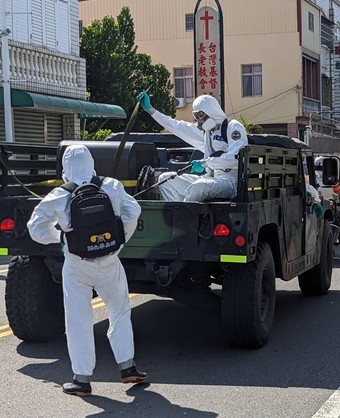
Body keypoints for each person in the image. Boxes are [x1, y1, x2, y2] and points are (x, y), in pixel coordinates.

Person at [27, 145, 145, 397]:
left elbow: (35, 229)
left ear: (65, 168)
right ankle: (127, 367)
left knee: (78, 320)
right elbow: (133, 210)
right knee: (120, 312)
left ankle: (81, 380)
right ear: (91, 163)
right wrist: (120, 237)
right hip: (110, 262)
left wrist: (61, 238)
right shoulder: (111, 186)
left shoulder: (59, 195)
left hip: (77, 266)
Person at [135, 92, 248, 202]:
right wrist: (151, 110)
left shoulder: (233, 127)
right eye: (196, 116)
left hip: (230, 183)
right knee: (165, 179)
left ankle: (185, 217)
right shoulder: (207, 132)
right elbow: (175, 126)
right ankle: (176, 214)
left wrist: (205, 163)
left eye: (200, 115)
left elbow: (237, 159)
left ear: (211, 112)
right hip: (211, 179)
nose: (198, 121)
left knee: (200, 186)